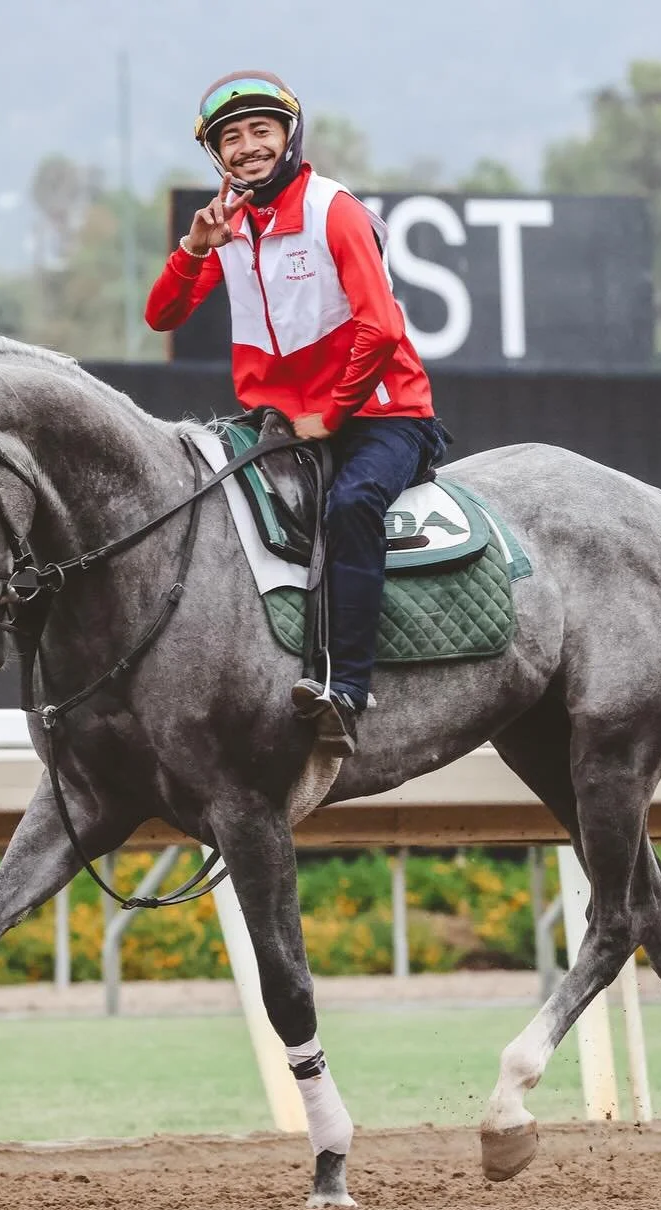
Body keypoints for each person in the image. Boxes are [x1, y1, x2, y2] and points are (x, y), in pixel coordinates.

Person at [145, 71, 449, 757]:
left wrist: (331, 414)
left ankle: (349, 687)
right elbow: (160, 314)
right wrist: (196, 247)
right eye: (231, 138)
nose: (247, 147)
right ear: (218, 157)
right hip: (282, 419)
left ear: (288, 137)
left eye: (260, 131)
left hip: (383, 412)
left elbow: (381, 329)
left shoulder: (333, 210)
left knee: (351, 506)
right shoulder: (230, 226)